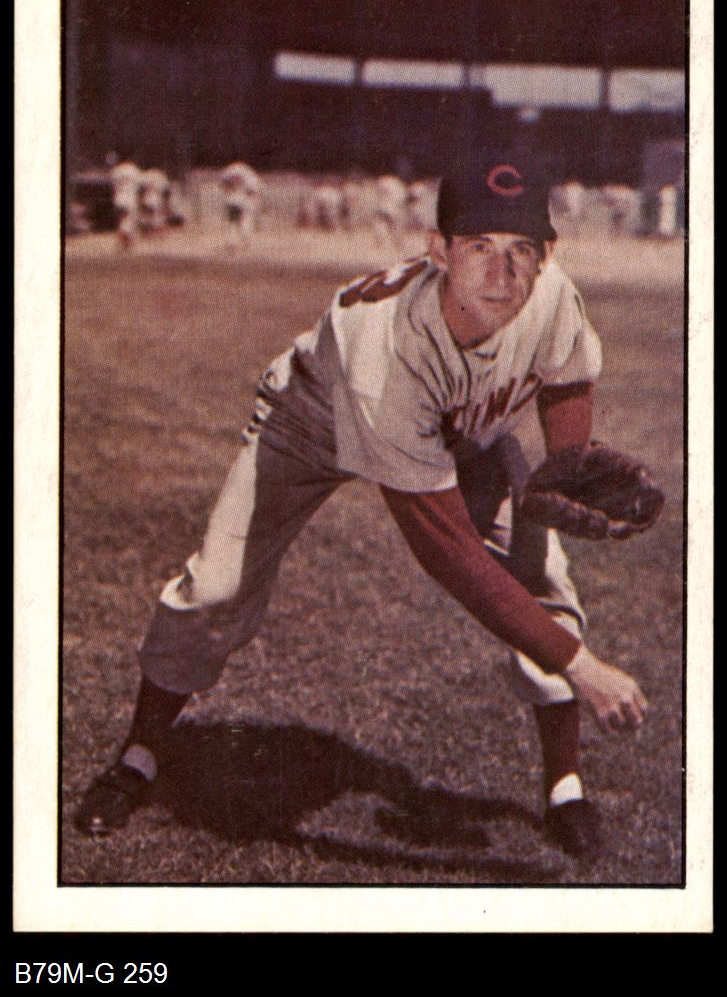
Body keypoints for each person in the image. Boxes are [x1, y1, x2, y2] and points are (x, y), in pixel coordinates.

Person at [75, 152, 648, 859]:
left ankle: (564, 786)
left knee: (542, 578)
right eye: (478, 247)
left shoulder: (553, 296)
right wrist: (582, 666)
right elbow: (447, 551)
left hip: (459, 431)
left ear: (547, 255)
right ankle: (137, 758)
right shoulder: (385, 343)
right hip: (311, 422)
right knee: (216, 589)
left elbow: (567, 376)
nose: (501, 271)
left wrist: (566, 467)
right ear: (438, 250)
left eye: (520, 250)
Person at [219, 160, 262, 249]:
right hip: (237, 202)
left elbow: (253, 193)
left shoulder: (233, 171)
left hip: (239, 201)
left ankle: (237, 242)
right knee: (238, 222)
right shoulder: (246, 174)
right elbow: (225, 186)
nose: (236, 180)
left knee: (237, 222)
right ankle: (237, 242)